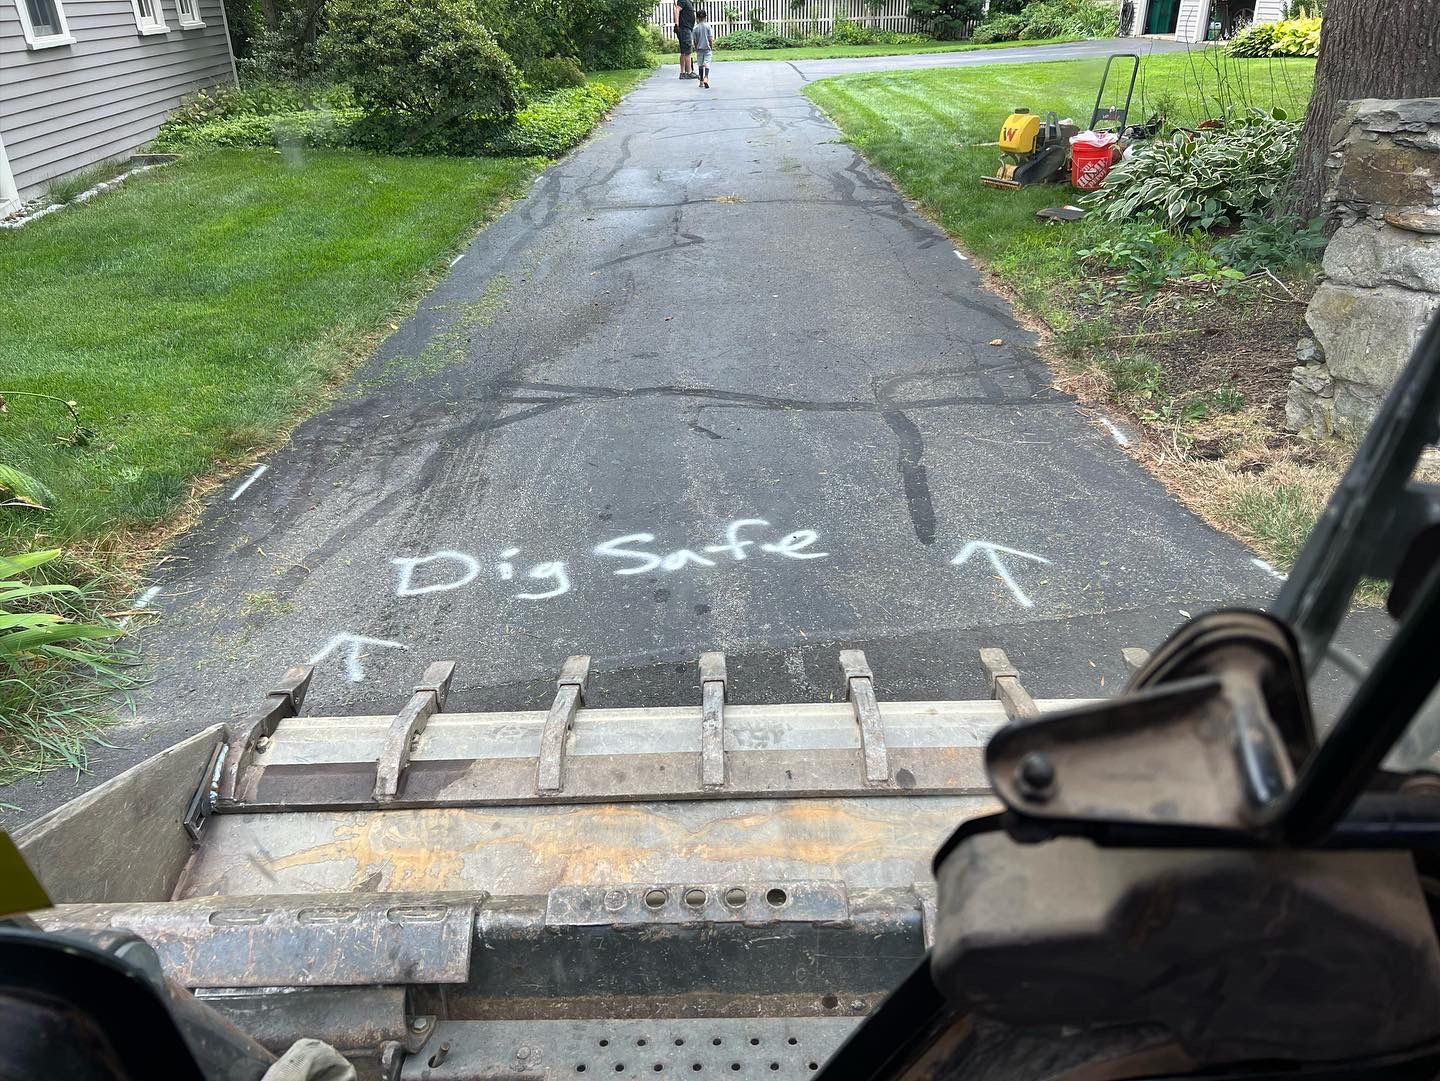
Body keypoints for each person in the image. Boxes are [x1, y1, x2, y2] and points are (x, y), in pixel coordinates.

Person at [692, 10, 715, 89]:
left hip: (699, 49)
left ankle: (701, 82)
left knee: (700, 65)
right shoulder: (708, 26)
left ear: (697, 18)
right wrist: (711, 46)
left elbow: (695, 41)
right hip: (707, 49)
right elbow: (710, 38)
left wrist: (696, 48)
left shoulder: (695, 28)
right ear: (705, 17)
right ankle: (706, 77)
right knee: (707, 63)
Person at [675, 0, 697, 80]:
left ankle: (683, 73)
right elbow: (677, 10)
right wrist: (676, 25)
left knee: (684, 51)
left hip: (686, 28)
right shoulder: (683, 0)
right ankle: (689, 72)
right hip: (685, 28)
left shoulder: (688, 1)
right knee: (687, 50)